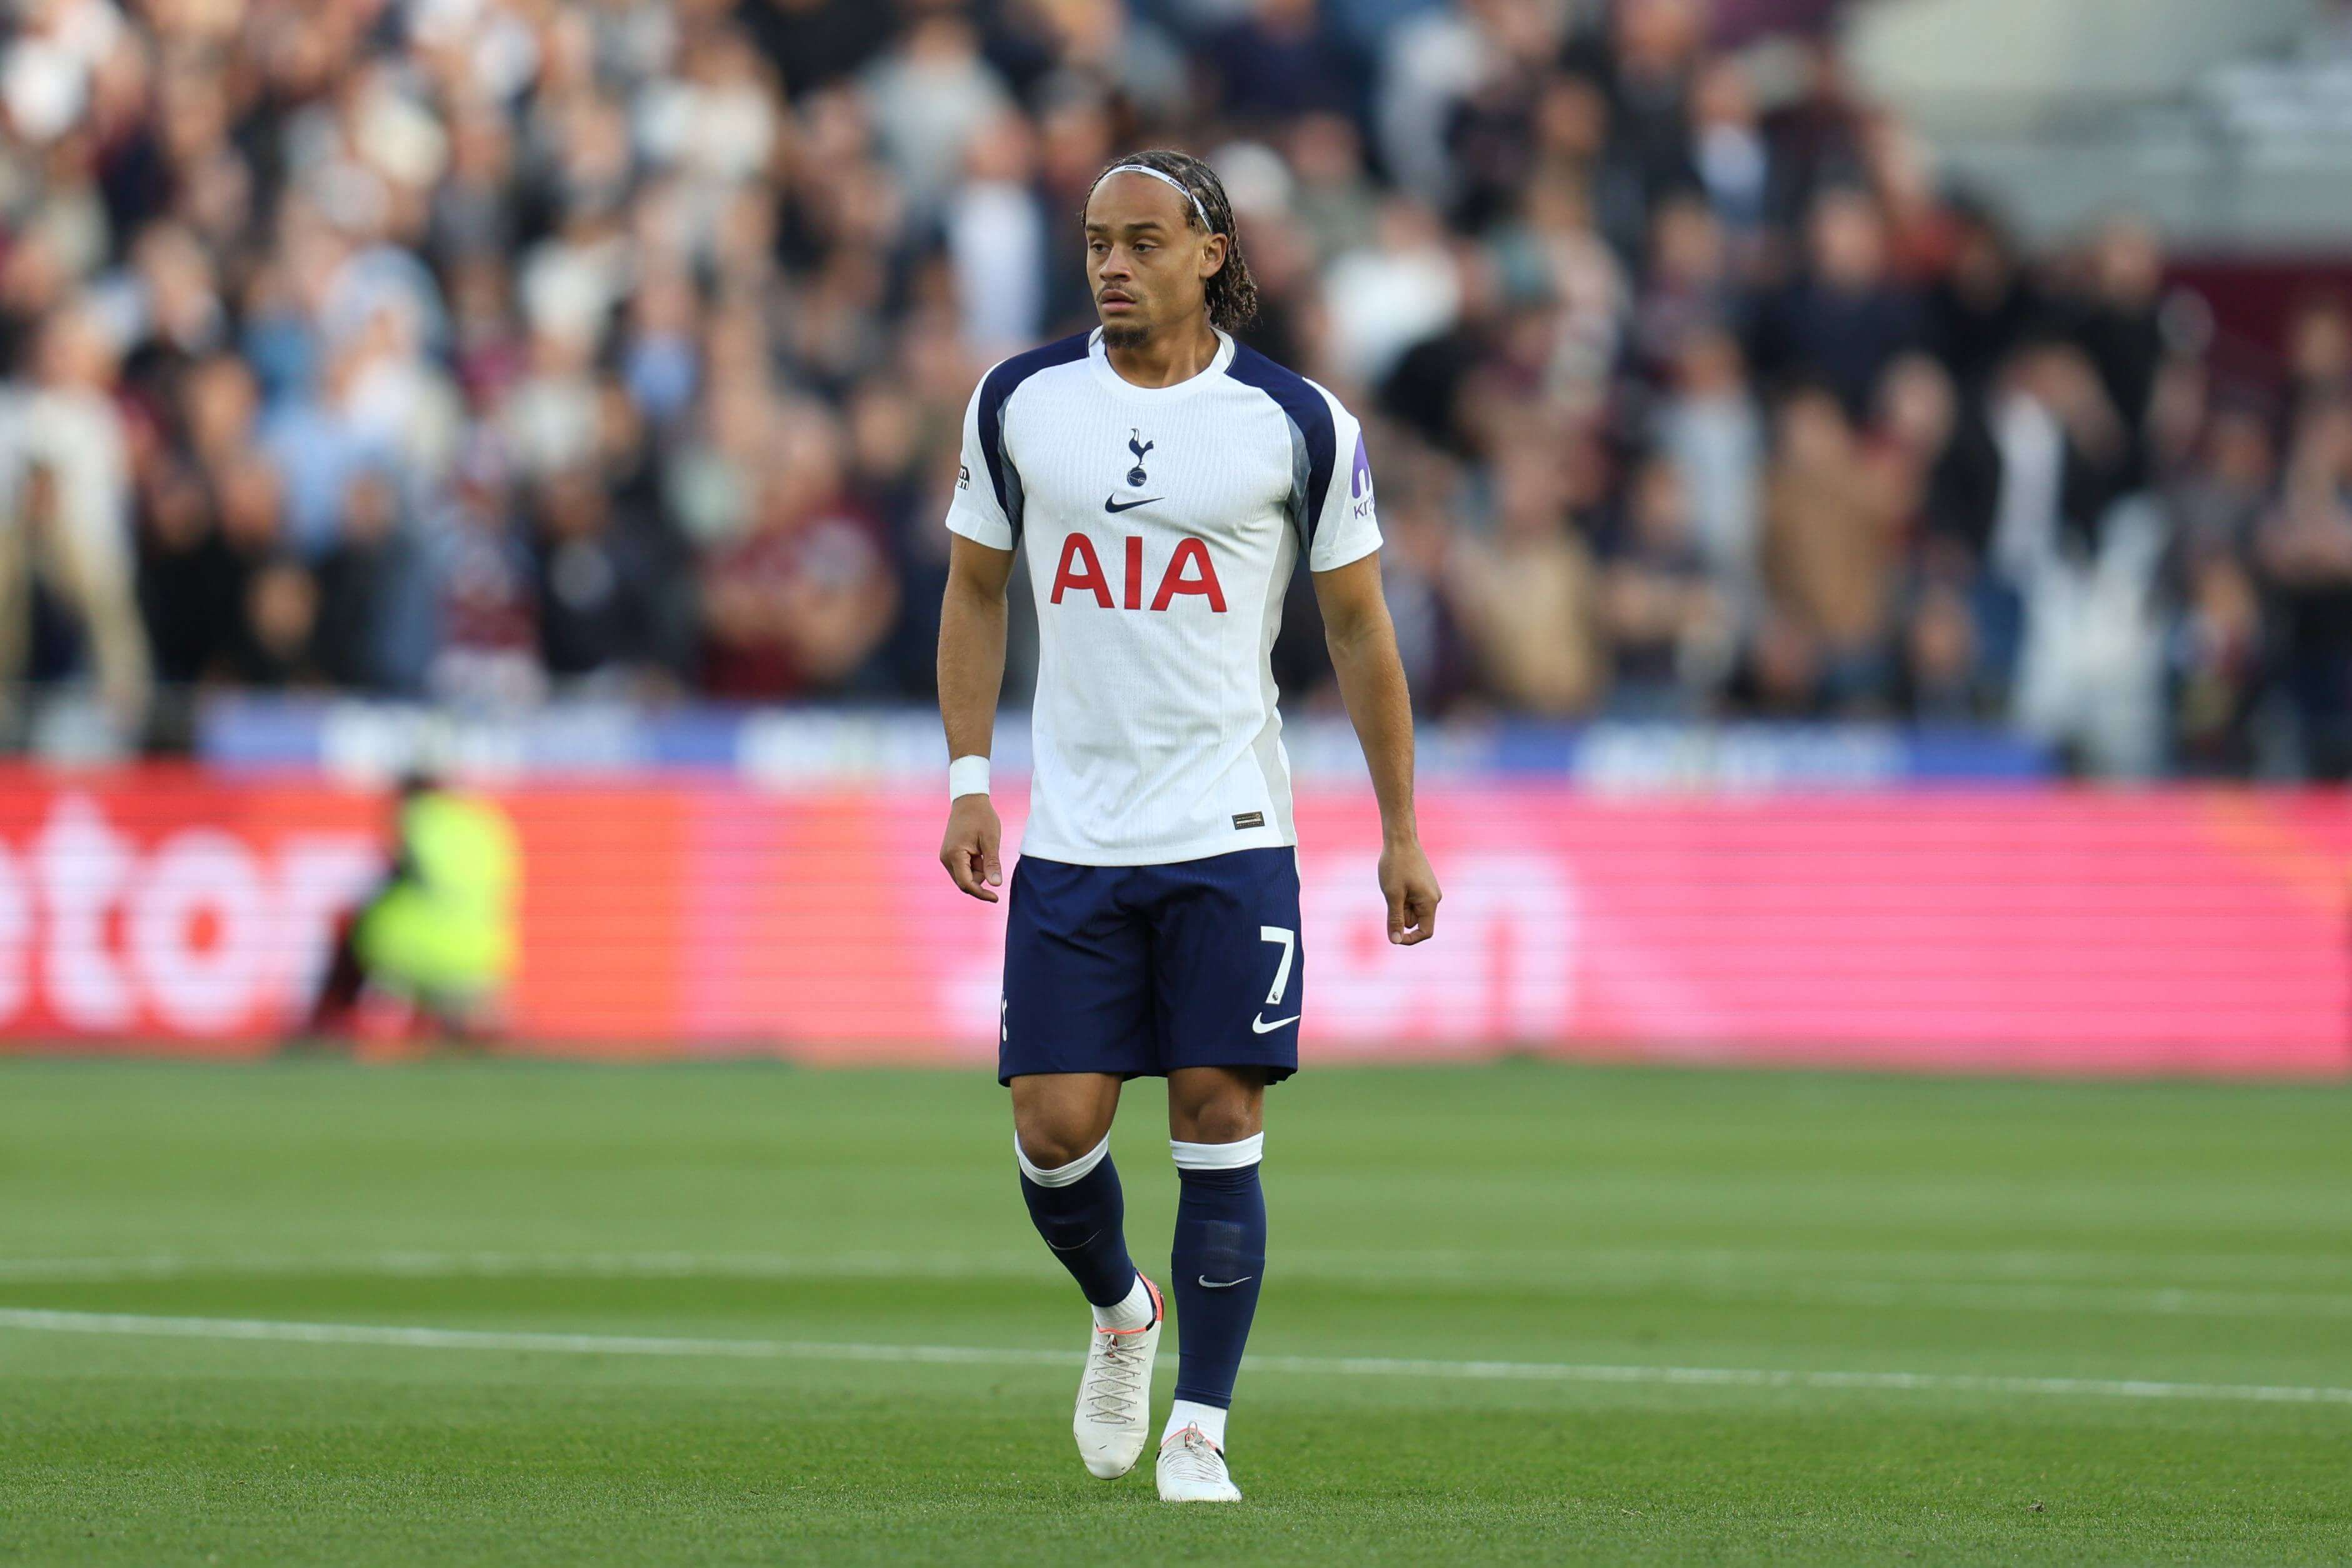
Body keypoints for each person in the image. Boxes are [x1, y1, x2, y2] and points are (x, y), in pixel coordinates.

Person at [934, 150, 1441, 1503]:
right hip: (1075, 836)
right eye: (1097, 241)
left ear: (1211, 252)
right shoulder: (1019, 401)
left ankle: (1199, 1427)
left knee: (1218, 1114)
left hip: (1228, 828)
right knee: (1053, 1130)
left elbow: (1359, 629)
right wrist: (969, 776)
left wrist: (1399, 826)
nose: (1112, 264)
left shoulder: (1295, 421)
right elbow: (974, 591)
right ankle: (1122, 1309)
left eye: (1143, 241)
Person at [305, 771, 523, 1042]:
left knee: (355, 925)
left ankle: (331, 1021)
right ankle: (469, 1021)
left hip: (414, 946)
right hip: (483, 954)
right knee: (468, 1016)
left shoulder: (419, 817)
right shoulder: (485, 821)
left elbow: (406, 872)